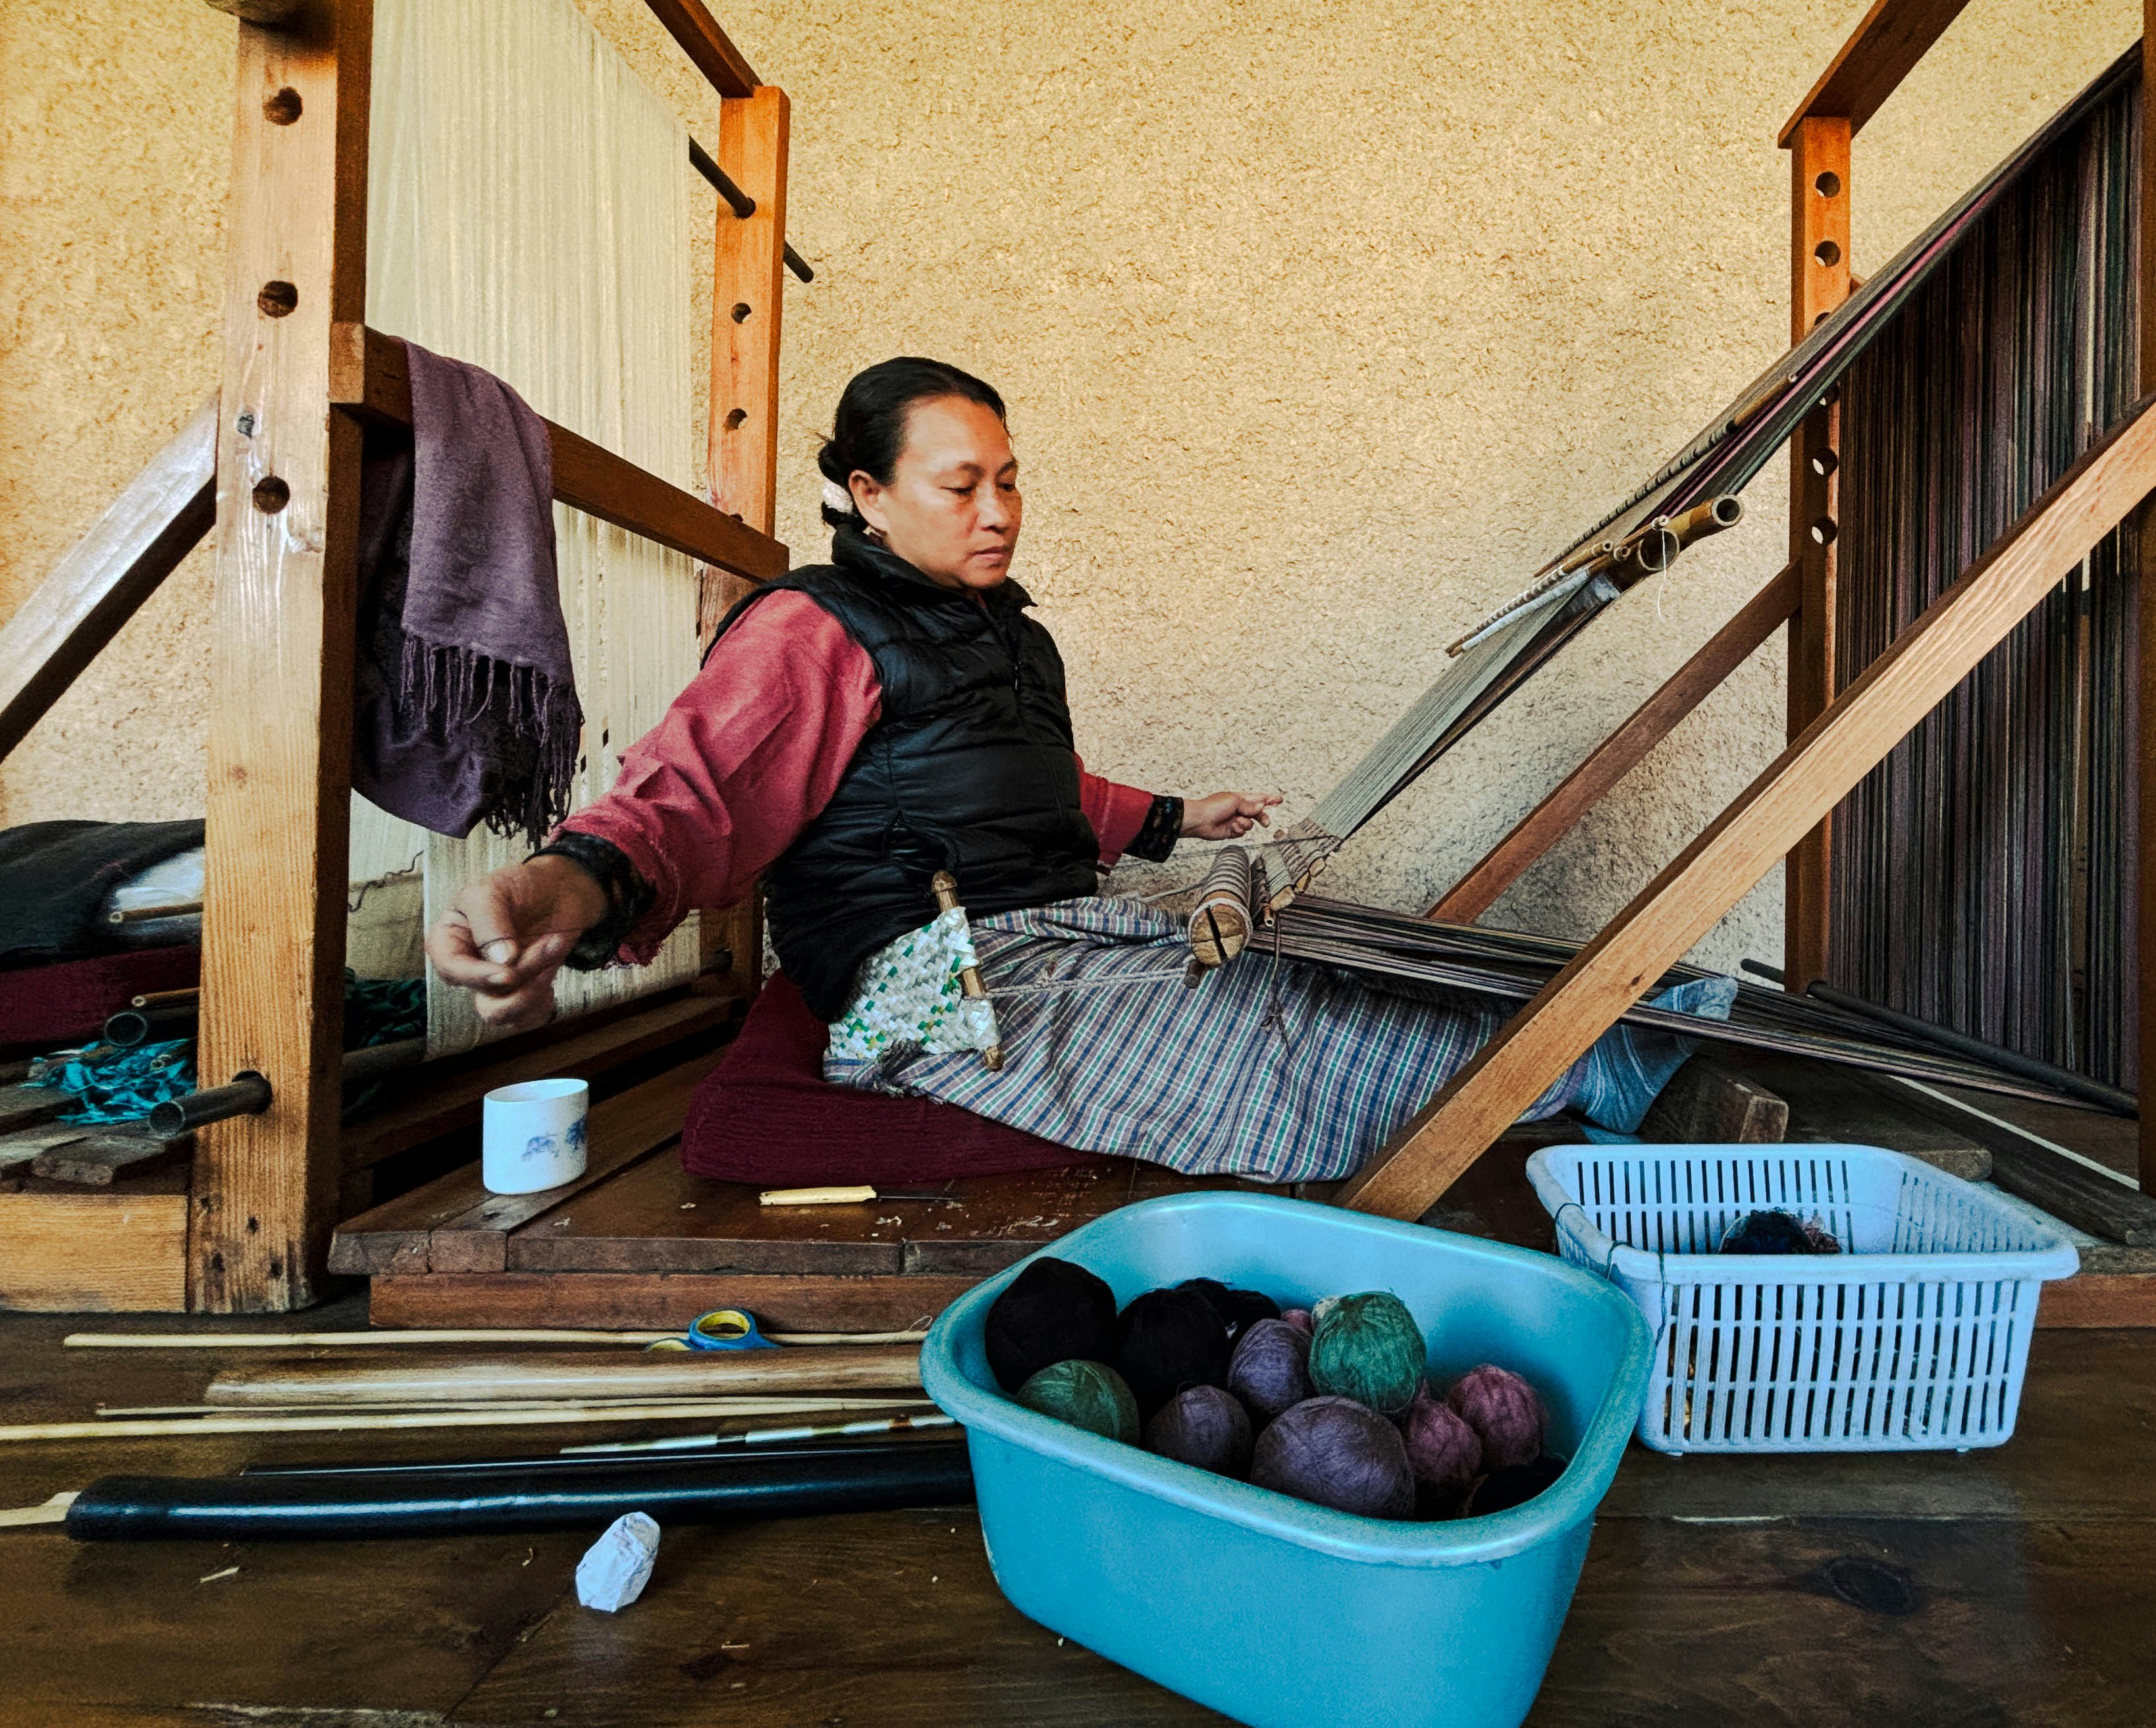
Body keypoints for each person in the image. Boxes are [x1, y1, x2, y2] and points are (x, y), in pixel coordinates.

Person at [425, 357, 1732, 1183]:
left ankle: (1646, 1010)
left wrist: (1174, 817)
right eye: (958, 486)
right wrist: (566, 884)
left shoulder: (1011, 638)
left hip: (1046, 931)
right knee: (1253, 1021)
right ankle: (1603, 1072)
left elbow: (1029, 789)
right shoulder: (810, 629)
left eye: (1008, 481)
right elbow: (697, 789)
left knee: (1310, 953)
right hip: (919, 980)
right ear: (868, 495)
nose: (996, 511)